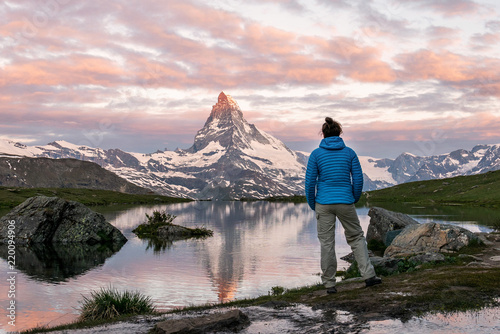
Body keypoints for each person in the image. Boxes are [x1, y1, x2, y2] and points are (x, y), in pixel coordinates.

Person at [305, 117, 381, 294]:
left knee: (327, 243)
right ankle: (369, 276)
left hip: (323, 202)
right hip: (345, 201)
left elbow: (310, 183)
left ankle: (330, 284)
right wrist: (353, 198)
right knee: (356, 237)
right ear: (339, 133)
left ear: (323, 134)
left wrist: (313, 203)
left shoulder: (316, 154)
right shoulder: (349, 153)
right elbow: (358, 179)